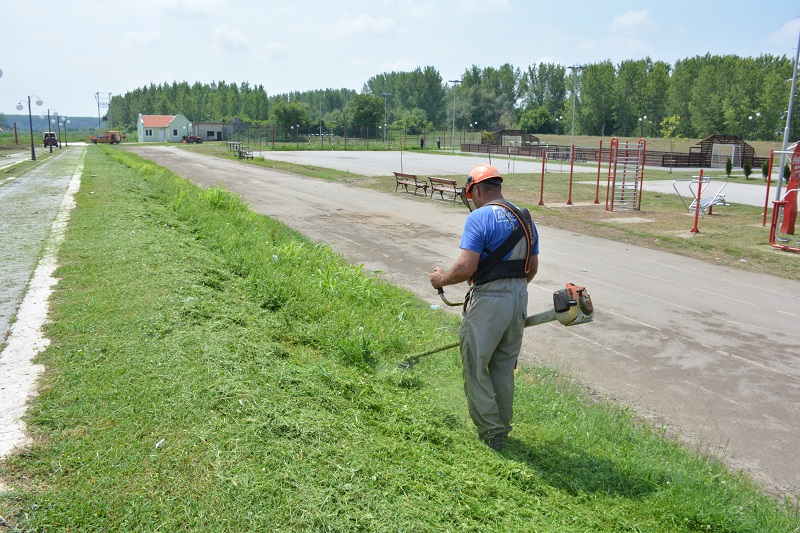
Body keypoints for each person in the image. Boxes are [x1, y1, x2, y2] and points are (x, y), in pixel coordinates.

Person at [429, 163, 539, 452]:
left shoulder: (479, 217)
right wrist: (511, 290)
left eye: (472, 195)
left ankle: (491, 434)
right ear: (497, 187)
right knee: (503, 367)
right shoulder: (525, 218)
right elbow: (532, 269)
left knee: (476, 366)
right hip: (519, 298)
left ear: (476, 190)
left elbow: (467, 267)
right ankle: (502, 426)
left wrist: (441, 279)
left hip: (489, 300)